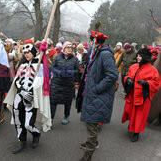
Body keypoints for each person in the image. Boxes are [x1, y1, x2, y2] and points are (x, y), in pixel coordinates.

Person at [76, 31, 118, 161]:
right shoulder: (98, 53)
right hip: (92, 94)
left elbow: (112, 75)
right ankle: (93, 144)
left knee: (92, 126)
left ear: (93, 42)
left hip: (98, 96)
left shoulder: (105, 54)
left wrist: (96, 88)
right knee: (92, 122)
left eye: (90, 41)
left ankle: (88, 155)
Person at [4, 43, 51, 154]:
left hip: (31, 96)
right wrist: (21, 90)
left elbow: (40, 81)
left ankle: (36, 134)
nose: (26, 55)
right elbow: (16, 80)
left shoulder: (38, 64)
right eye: (24, 53)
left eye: (28, 52)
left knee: (28, 124)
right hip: (20, 95)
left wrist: (29, 90)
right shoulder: (22, 64)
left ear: (33, 53)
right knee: (17, 119)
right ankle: (22, 140)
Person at [122, 48, 160, 142]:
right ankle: (131, 125)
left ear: (145, 57)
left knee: (139, 116)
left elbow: (157, 83)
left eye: (140, 56)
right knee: (130, 112)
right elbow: (127, 76)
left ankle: (136, 133)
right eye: (138, 56)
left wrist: (147, 83)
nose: (138, 58)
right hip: (131, 96)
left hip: (142, 98)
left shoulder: (152, 70)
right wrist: (128, 80)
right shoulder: (133, 67)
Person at [50, 41, 80, 125]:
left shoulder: (75, 59)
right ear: (64, 48)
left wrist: (70, 72)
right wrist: (59, 72)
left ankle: (66, 116)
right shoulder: (57, 57)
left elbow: (78, 70)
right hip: (56, 83)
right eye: (68, 47)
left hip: (68, 84)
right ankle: (51, 119)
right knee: (53, 101)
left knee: (67, 101)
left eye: (71, 47)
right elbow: (52, 67)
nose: (70, 49)